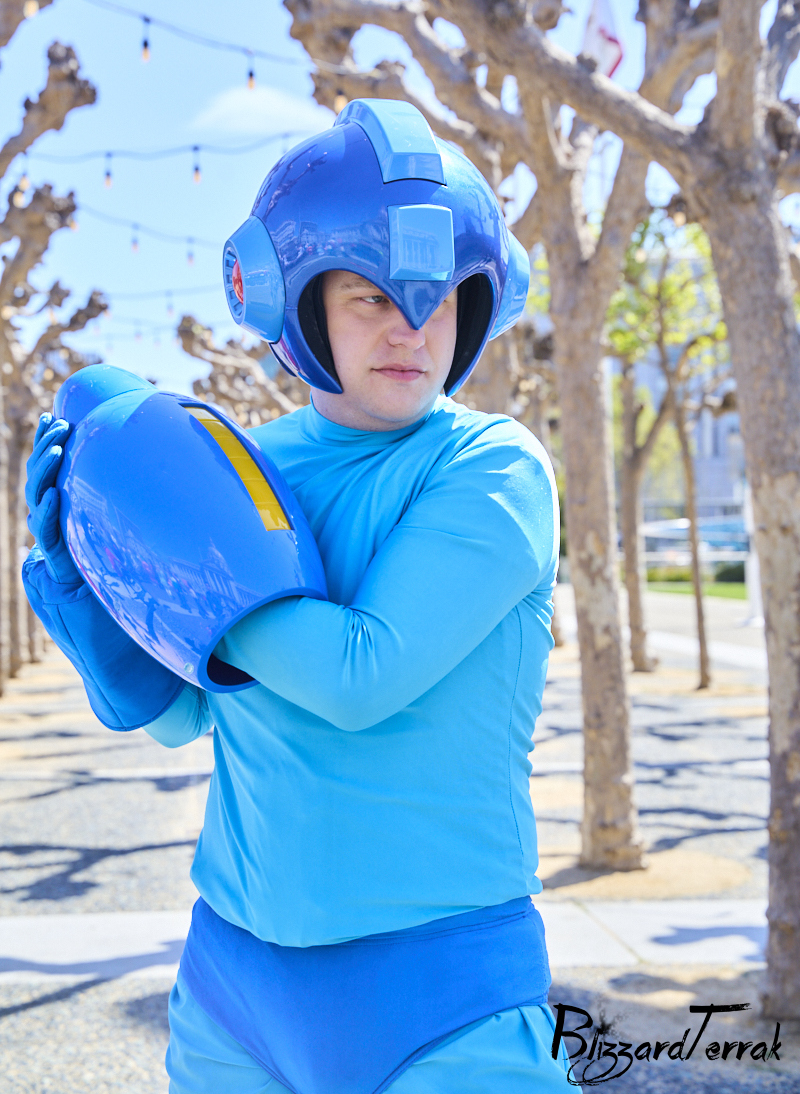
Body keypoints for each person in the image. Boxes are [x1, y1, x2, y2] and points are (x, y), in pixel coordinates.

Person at [23, 100, 572, 1093]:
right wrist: (93, 602)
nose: (411, 329)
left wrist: (181, 562)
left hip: (441, 986)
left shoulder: (493, 467)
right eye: (369, 295)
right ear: (294, 302)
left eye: (443, 299)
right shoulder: (249, 463)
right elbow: (185, 713)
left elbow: (361, 678)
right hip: (232, 982)